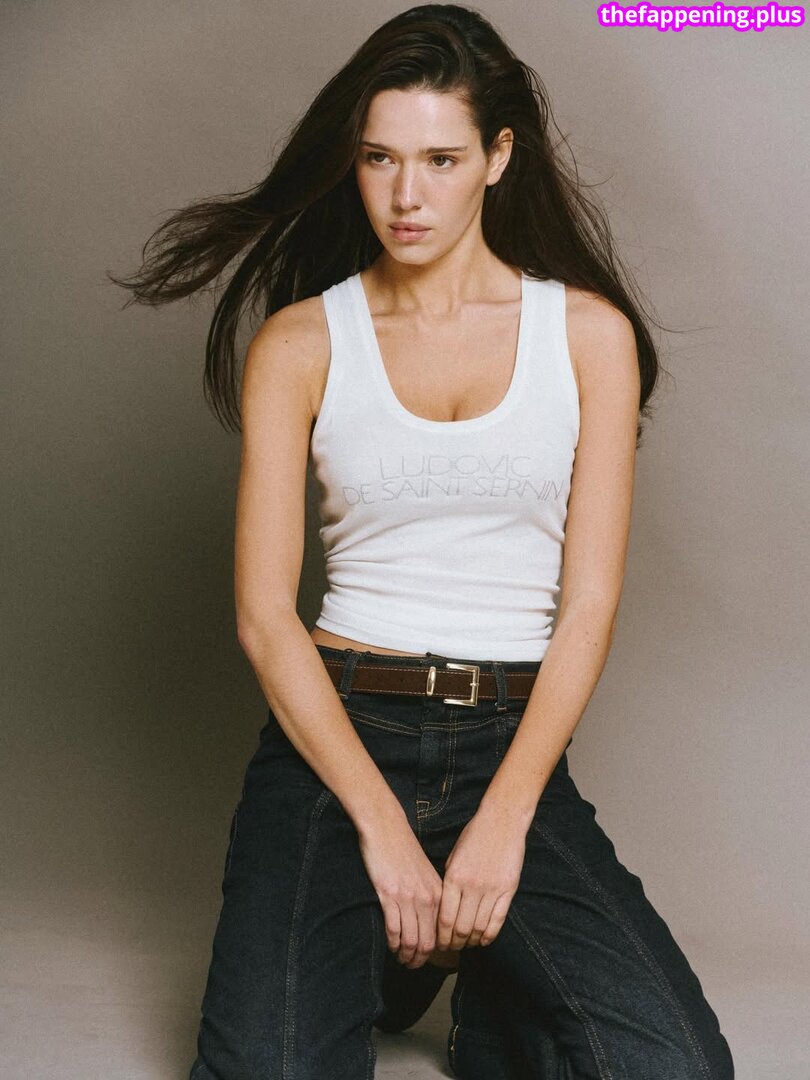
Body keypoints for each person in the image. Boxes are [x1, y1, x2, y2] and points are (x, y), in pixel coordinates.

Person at [111, 4, 736, 1077]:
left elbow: (588, 606)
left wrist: (505, 819)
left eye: (441, 160)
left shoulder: (589, 337)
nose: (406, 195)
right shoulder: (301, 343)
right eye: (379, 158)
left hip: (508, 740)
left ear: (499, 157)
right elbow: (265, 617)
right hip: (337, 737)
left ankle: (481, 984)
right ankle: (394, 941)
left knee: (677, 1066)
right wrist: (386, 834)